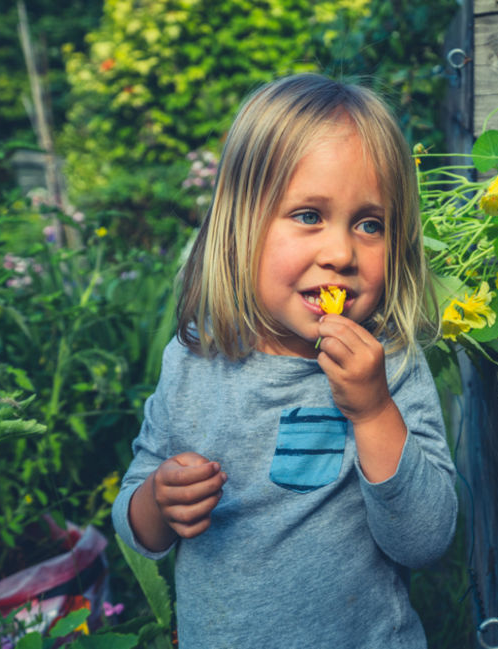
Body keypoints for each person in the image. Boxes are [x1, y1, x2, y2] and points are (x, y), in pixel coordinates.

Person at [112, 74, 457, 648]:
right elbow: (135, 515)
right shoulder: (196, 359)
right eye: (308, 216)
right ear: (242, 224)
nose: (341, 253)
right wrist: (157, 502)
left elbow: (424, 541)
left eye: (369, 224)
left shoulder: (390, 364)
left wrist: (373, 413)